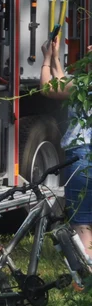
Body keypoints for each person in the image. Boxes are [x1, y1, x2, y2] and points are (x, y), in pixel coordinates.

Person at [40, 34, 92, 257]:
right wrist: (56, 58)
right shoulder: (82, 85)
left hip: (82, 156)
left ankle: (86, 278)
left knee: (81, 223)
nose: (88, 47)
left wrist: (45, 60)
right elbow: (62, 81)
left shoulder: (84, 84)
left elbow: (48, 88)